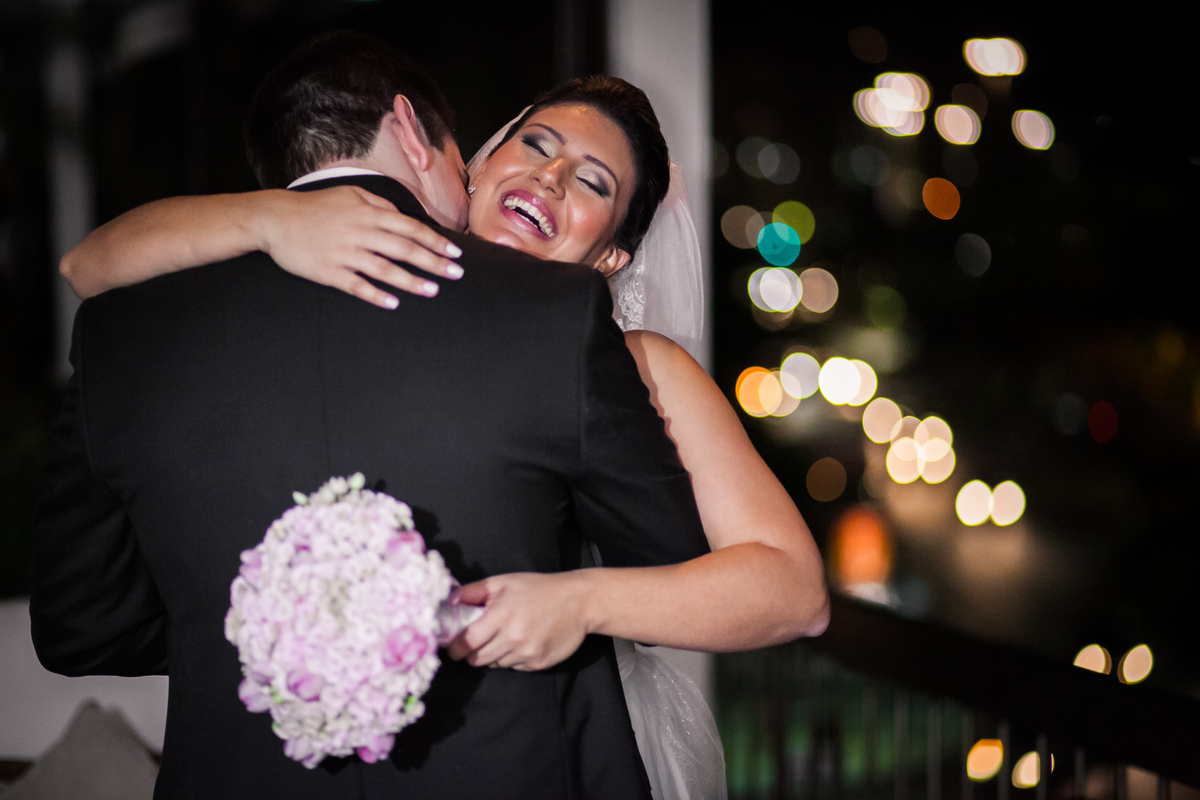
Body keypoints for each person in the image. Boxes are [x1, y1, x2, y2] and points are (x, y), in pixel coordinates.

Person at [57, 33, 832, 798]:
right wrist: (269, 218)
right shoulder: (338, 268)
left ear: (609, 258)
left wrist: (584, 601)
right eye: (535, 144)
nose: (552, 176)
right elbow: (86, 263)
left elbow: (781, 586)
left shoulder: (628, 357)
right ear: (476, 168)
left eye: (593, 183)